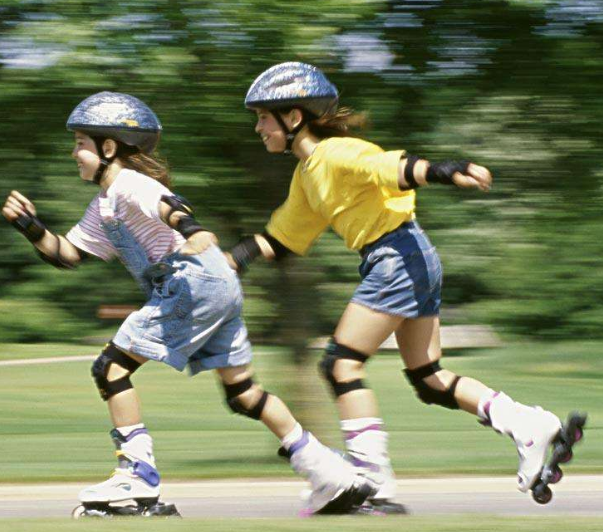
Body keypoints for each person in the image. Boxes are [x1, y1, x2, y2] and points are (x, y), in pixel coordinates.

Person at [226, 62, 585, 511]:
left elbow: (389, 167)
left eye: (263, 117)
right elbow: (283, 236)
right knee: (428, 378)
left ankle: (372, 479)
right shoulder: (308, 175)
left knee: (341, 365)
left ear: (293, 117)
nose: (258, 127)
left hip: (395, 257)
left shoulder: (335, 154)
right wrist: (235, 258)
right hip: (409, 255)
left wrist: (446, 170)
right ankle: (528, 424)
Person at [2, 91, 378, 517]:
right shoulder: (103, 205)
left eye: (81, 145)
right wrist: (31, 227)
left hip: (191, 282)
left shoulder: (129, 184)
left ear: (109, 147)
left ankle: (137, 476)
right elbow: (66, 255)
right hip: (217, 282)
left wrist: (193, 229)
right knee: (243, 394)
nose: (75, 154)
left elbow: (168, 205)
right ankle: (329, 473)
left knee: (110, 368)